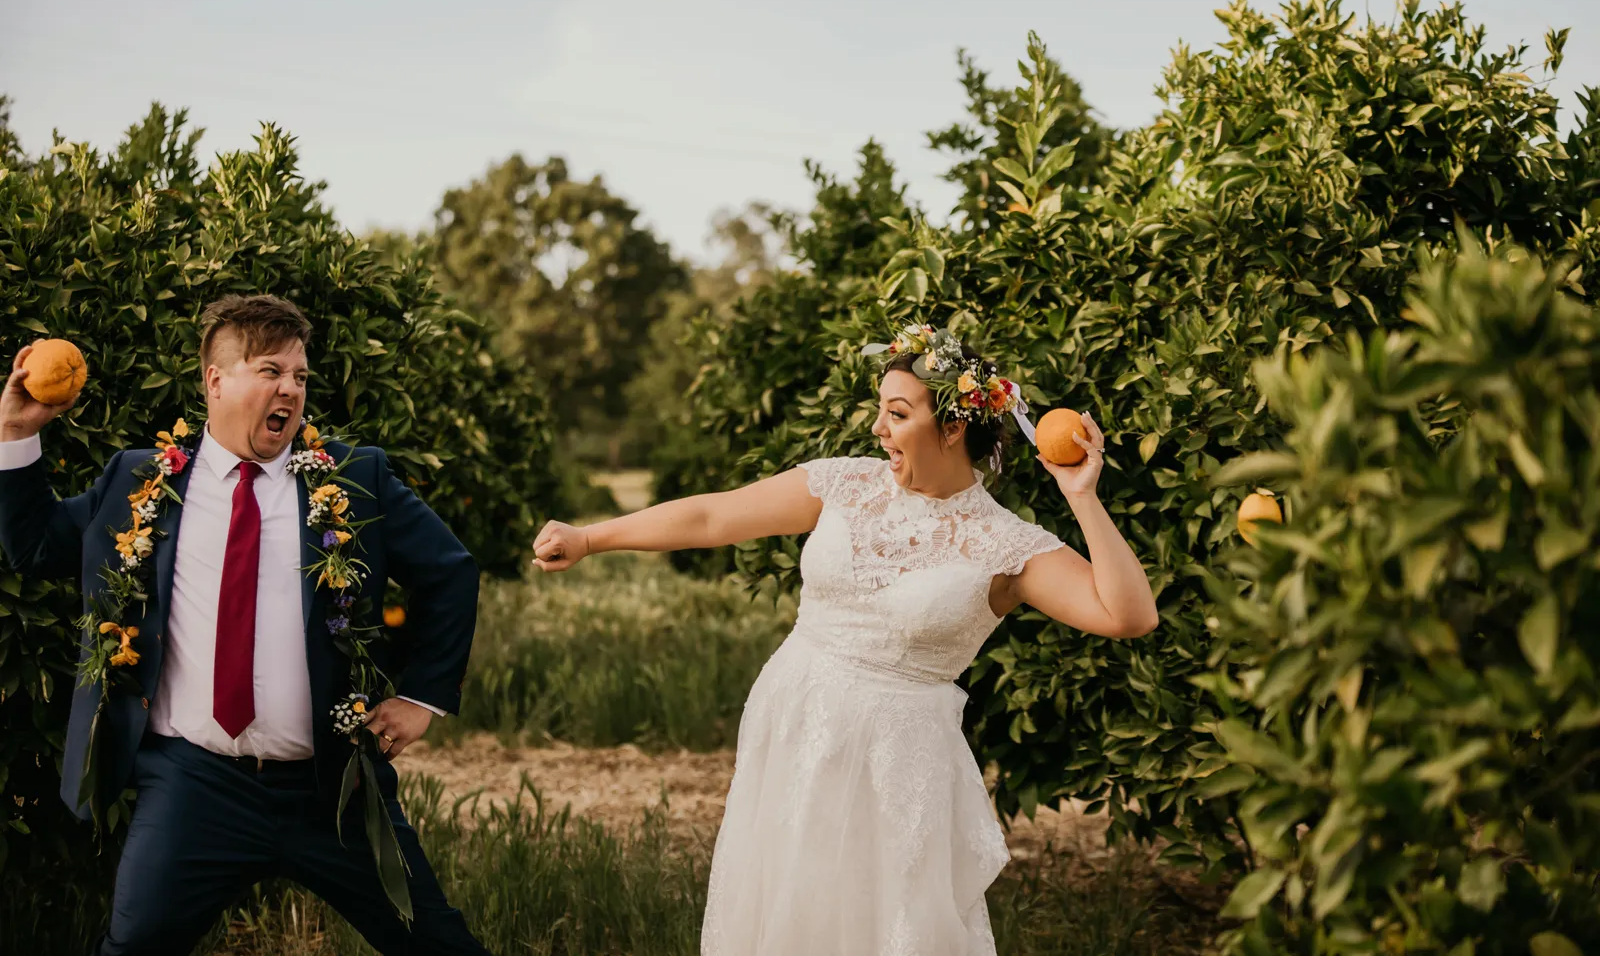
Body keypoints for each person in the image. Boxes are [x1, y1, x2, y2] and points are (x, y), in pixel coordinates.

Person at [533, 323, 1158, 956]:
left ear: (951, 428)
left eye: (897, 413)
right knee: (785, 911)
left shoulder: (1005, 545)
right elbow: (713, 515)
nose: (878, 429)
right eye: (880, 412)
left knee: (882, 925)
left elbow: (1128, 615)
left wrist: (1082, 497)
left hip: (899, 765)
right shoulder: (846, 485)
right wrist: (591, 538)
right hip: (794, 726)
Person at [0, 294, 490, 955]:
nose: (290, 387)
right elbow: (34, 547)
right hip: (194, 785)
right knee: (134, 945)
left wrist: (421, 696)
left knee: (435, 940)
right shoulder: (138, 481)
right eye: (270, 370)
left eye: (300, 376)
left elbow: (451, 570)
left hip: (330, 788)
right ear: (216, 380)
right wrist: (16, 433)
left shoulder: (353, 477)